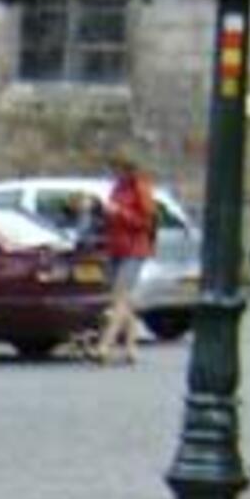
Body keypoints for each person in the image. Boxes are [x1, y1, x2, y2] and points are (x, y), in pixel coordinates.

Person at [94, 155, 156, 365]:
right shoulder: (117, 188)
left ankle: (105, 345)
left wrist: (120, 213)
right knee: (122, 298)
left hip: (134, 249)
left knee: (120, 297)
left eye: (117, 169)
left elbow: (146, 221)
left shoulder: (141, 188)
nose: (115, 173)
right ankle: (131, 347)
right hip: (116, 247)